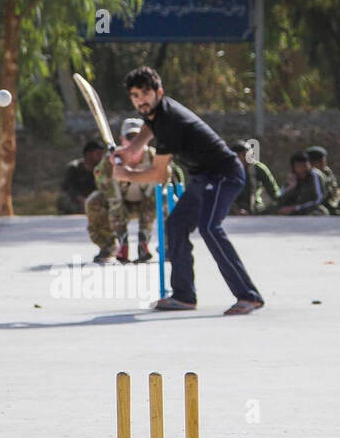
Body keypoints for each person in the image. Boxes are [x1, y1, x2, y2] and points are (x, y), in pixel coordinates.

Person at [113, 66, 265, 315]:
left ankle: (249, 295)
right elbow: (149, 128)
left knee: (209, 228)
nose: (141, 101)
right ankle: (184, 296)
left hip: (222, 175)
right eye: (135, 96)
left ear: (158, 92)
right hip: (201, 177)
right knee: (176, 225)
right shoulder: (157, 114)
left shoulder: (170, 121)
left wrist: (127, 174)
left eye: (145, 94)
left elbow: (160, 175)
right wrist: (132, 150)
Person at [86, 118, 163, 263]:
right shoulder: (113, 158)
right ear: (122, 139)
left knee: (168, 199)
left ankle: (166, 245)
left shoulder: (153, 157)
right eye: (130, 137)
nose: (134, 142)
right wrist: (109, 167)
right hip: (121, 206)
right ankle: (110, 246)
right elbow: (101, 182)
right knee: (94, 201)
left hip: (149, 205)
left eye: (137, 138)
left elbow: (166, 177)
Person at [229, 140, 280, 215]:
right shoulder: (226, 170)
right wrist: (235, 209)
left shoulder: (257, 169)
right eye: (242, 155)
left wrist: (281, 205)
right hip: (231, 209)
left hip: (255, 208)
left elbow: (273, 191)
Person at [58, 139, 104, 214]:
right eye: (98, 154)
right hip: (77, 201)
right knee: (64, 198)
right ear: (88, 154)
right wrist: (81, 199)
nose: (100, 157)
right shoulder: (74, 168)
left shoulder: (100, 170)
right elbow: (68, 188)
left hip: (94, 201)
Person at [306, 146, 340, 215]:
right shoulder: (308, 175)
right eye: (320, 161)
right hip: (315, 205)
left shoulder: (327, 172)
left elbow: (333, 189)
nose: (323, 163)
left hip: (330, 203)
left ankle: (336, 215)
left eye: (323, 161)